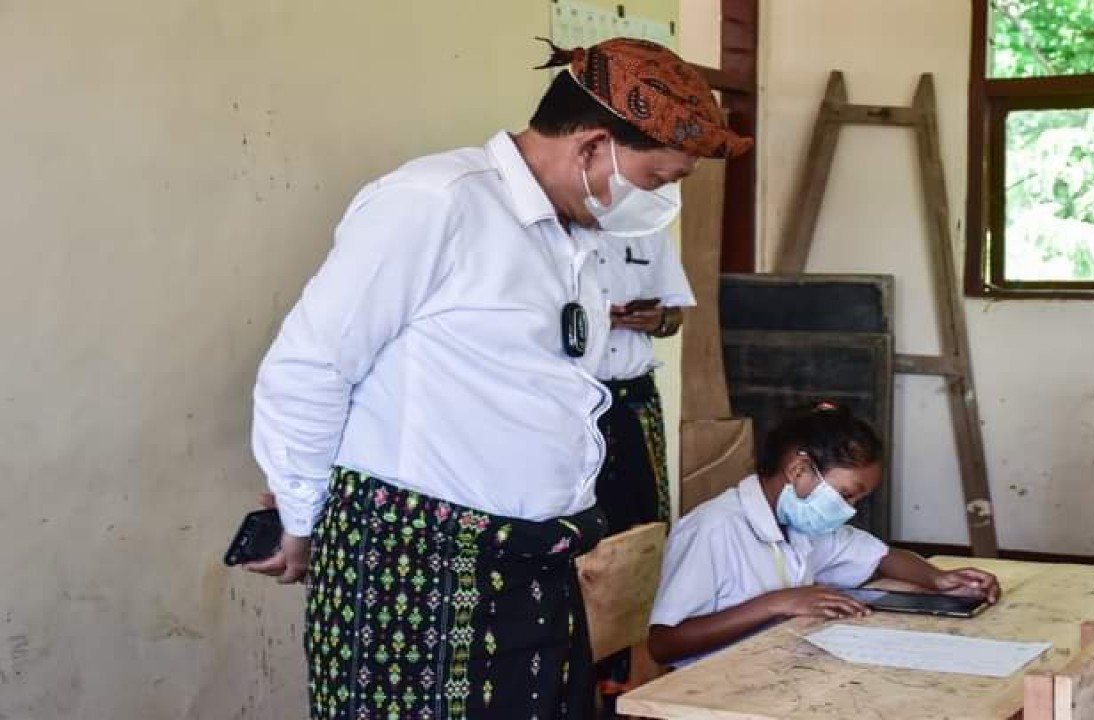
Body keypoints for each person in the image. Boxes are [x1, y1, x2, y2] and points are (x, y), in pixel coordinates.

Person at [244, 37, 751, 720]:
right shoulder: (435, 204)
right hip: (416, 569)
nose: (661, 200)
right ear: (592, 146)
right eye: (659, 180)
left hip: (537, 564)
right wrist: (302, 519)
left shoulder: (575, 235)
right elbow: (309, 368)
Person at [646, 402, 1001, 667]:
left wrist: (938, 580)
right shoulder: (714, 529)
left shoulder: (800, 524)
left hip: (777, 669)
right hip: (714, 689)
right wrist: (778, 602)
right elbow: (664, 644)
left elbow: (881, 556)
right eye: (847, 494)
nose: (851, 509)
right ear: (800, 470)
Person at [592, 230, 693, 713]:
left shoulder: (647, 226)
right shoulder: (557, 226)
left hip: (634, 397)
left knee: (644, 528)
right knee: (581, 530)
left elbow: (675, 316)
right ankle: (581, 671)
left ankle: (629, 672)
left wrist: (655, 319)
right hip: (574, 398)